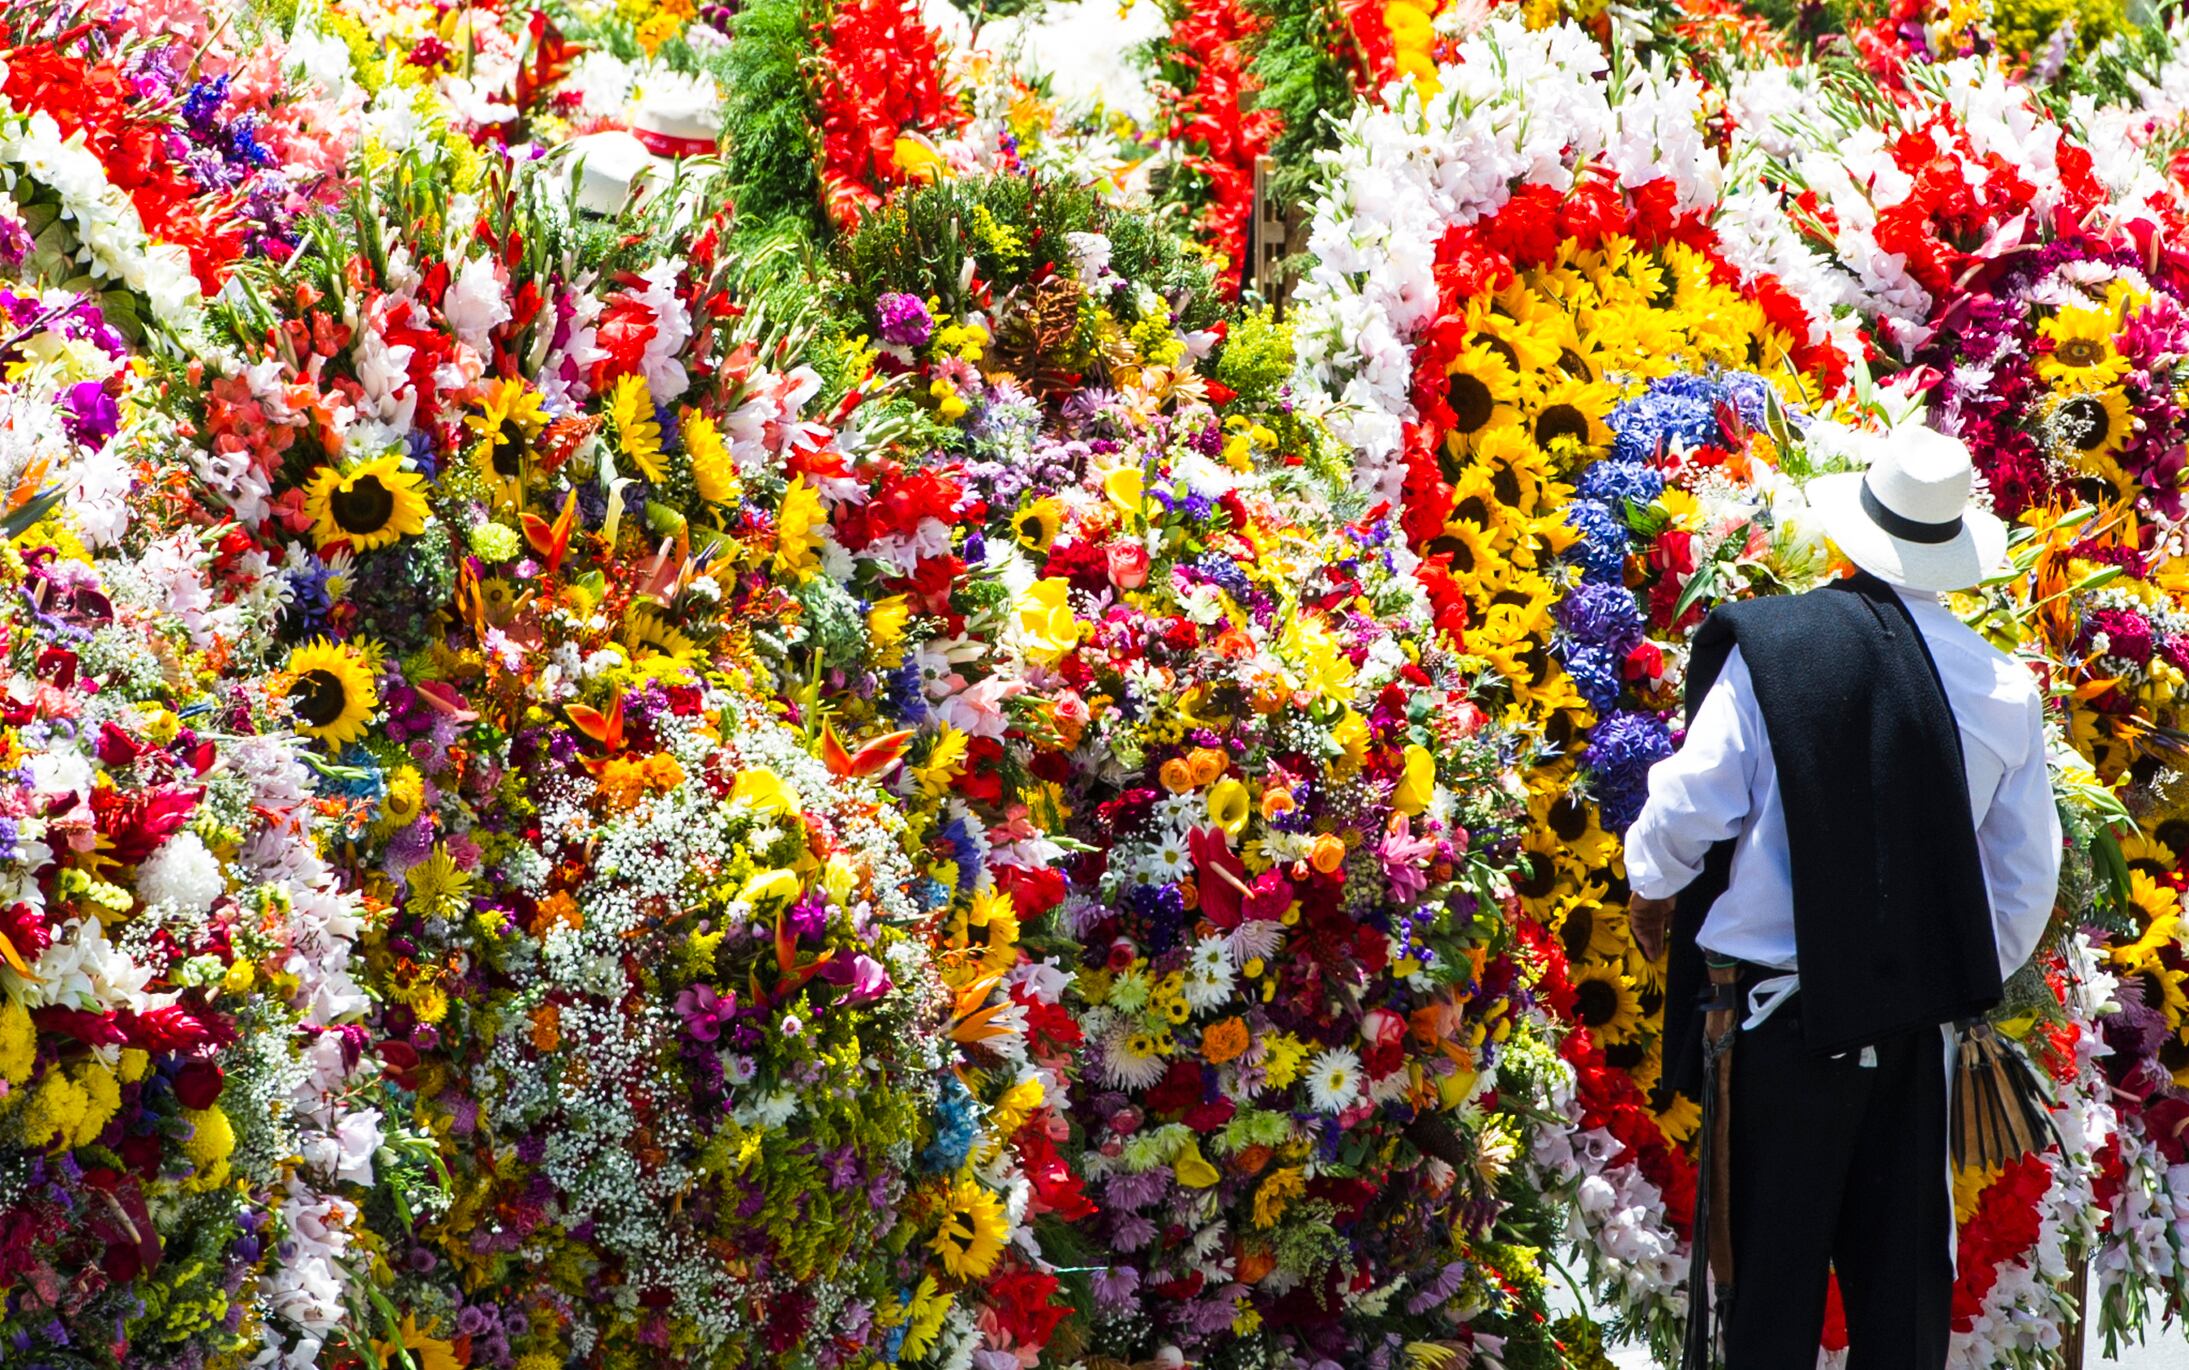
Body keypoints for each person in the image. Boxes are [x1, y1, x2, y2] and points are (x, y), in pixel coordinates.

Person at [1621, 423, 2061, 1369]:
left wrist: (1648, 888)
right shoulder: (2002, 688)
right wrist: (1922, 966)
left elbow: (1687, 806)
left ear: (1850, 532)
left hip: (1777, 1027)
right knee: (1900, 1308)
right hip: (1909, 1035)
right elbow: (2022, 891)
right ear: (1952, 553)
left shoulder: (1772, 650)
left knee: (1766, 1305)